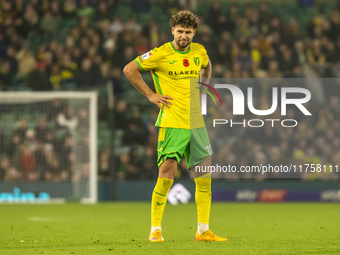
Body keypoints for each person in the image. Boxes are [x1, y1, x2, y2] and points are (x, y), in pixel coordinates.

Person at [124, 10, 227, 242]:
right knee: (167, 174)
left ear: (194, 33)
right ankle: (155, 230)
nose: (184, 35)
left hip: (197, 123)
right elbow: (129, 69)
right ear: (172, 30)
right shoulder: (160, 53)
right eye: (180, 31)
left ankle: (203, 231)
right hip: (172, 122)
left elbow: (207, 65)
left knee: (203, 177)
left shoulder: (199, 51)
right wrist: (151, 95)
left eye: (188, 32)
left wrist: (204, 86)